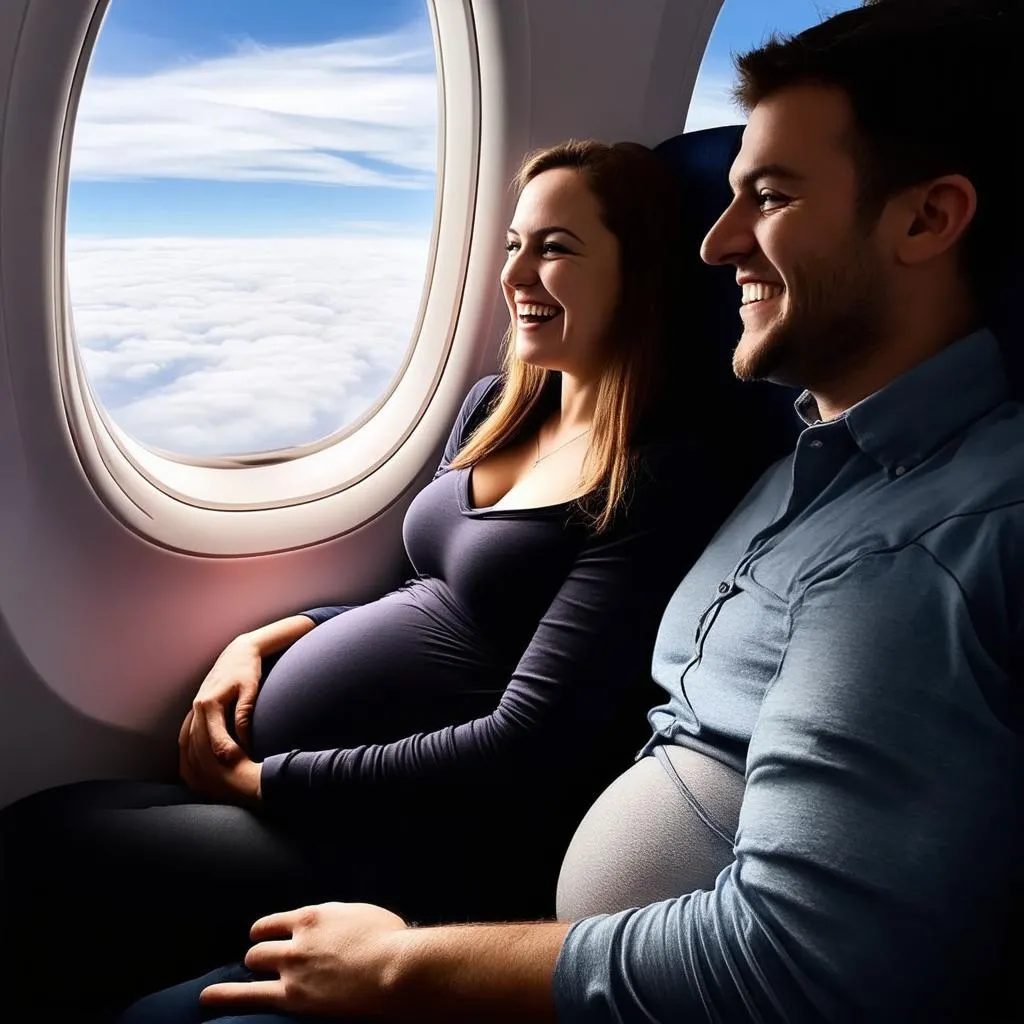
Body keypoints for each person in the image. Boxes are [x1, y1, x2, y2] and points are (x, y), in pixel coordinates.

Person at [119, 1, 1023, 1021]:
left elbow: (793, 969)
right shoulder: (807, 463)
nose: (717, 244)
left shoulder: (918, 551)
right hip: (570, 942)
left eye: (767, 197)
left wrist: (400, 964)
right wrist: (285, 633)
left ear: (926, 218)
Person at [0, 140, 740, 1019]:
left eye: (557, 248)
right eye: (513, 243)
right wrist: (271, 636)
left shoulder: (655, 479)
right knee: (40, 826)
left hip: (411, 838)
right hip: (322, 794)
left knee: (45, 875)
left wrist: (275, 782)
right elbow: (412, 592)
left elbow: (526, 744)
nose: (517, 274)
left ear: (640, 271)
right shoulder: (494, 411)